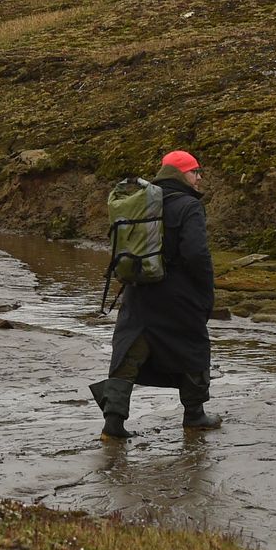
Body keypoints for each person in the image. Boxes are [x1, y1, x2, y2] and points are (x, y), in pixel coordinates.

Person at [90, 149, 221, 438]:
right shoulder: (189, 205)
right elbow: (196, 253)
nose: (199, 177)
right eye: (194, 171)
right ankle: (195, 415)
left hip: (138, 289)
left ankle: (113, 423)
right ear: (180, 173)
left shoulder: (140, 204)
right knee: (193, 349)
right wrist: (204, 291)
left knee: (128, 353)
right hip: (179, 295)